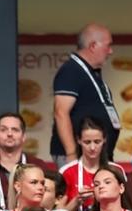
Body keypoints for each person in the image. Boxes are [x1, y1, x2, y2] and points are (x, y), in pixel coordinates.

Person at [50, 23, 118, 163]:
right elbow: (60, 112)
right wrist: (71, 154)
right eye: (108, 45)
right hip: (79, 157)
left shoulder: (92, 72)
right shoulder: (71, 70)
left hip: (96, 156)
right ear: (93, 46)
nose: (110, 51)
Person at [59, 117, 126, 211]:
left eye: (97, 141)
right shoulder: (67, 172)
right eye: (87, 142)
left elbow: (126, 207)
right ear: (78, 140)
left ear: (104, 139)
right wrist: (77, 200)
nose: (92, 147)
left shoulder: (116, 170)